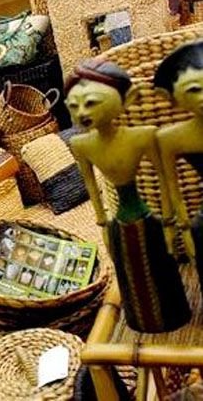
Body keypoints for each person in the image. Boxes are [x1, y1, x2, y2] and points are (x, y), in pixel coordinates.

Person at [65, 59, 190, 333]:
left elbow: (165, 179)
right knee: (128, 273)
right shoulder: (81, 144)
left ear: (128, 98)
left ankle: (172, 315)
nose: (82, 112)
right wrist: (103, 226)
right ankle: (142, 319)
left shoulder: (143, 136)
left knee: (161, 268)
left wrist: (168, 221)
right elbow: (92, 187)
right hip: (119, 223)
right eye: (74, 106)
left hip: (148, 218)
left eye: (91, 102)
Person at [154, 40, 203, 297]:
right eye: (193, 89)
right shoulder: (172, 138)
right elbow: (171, 189)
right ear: (171, 98)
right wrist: (181, 229)